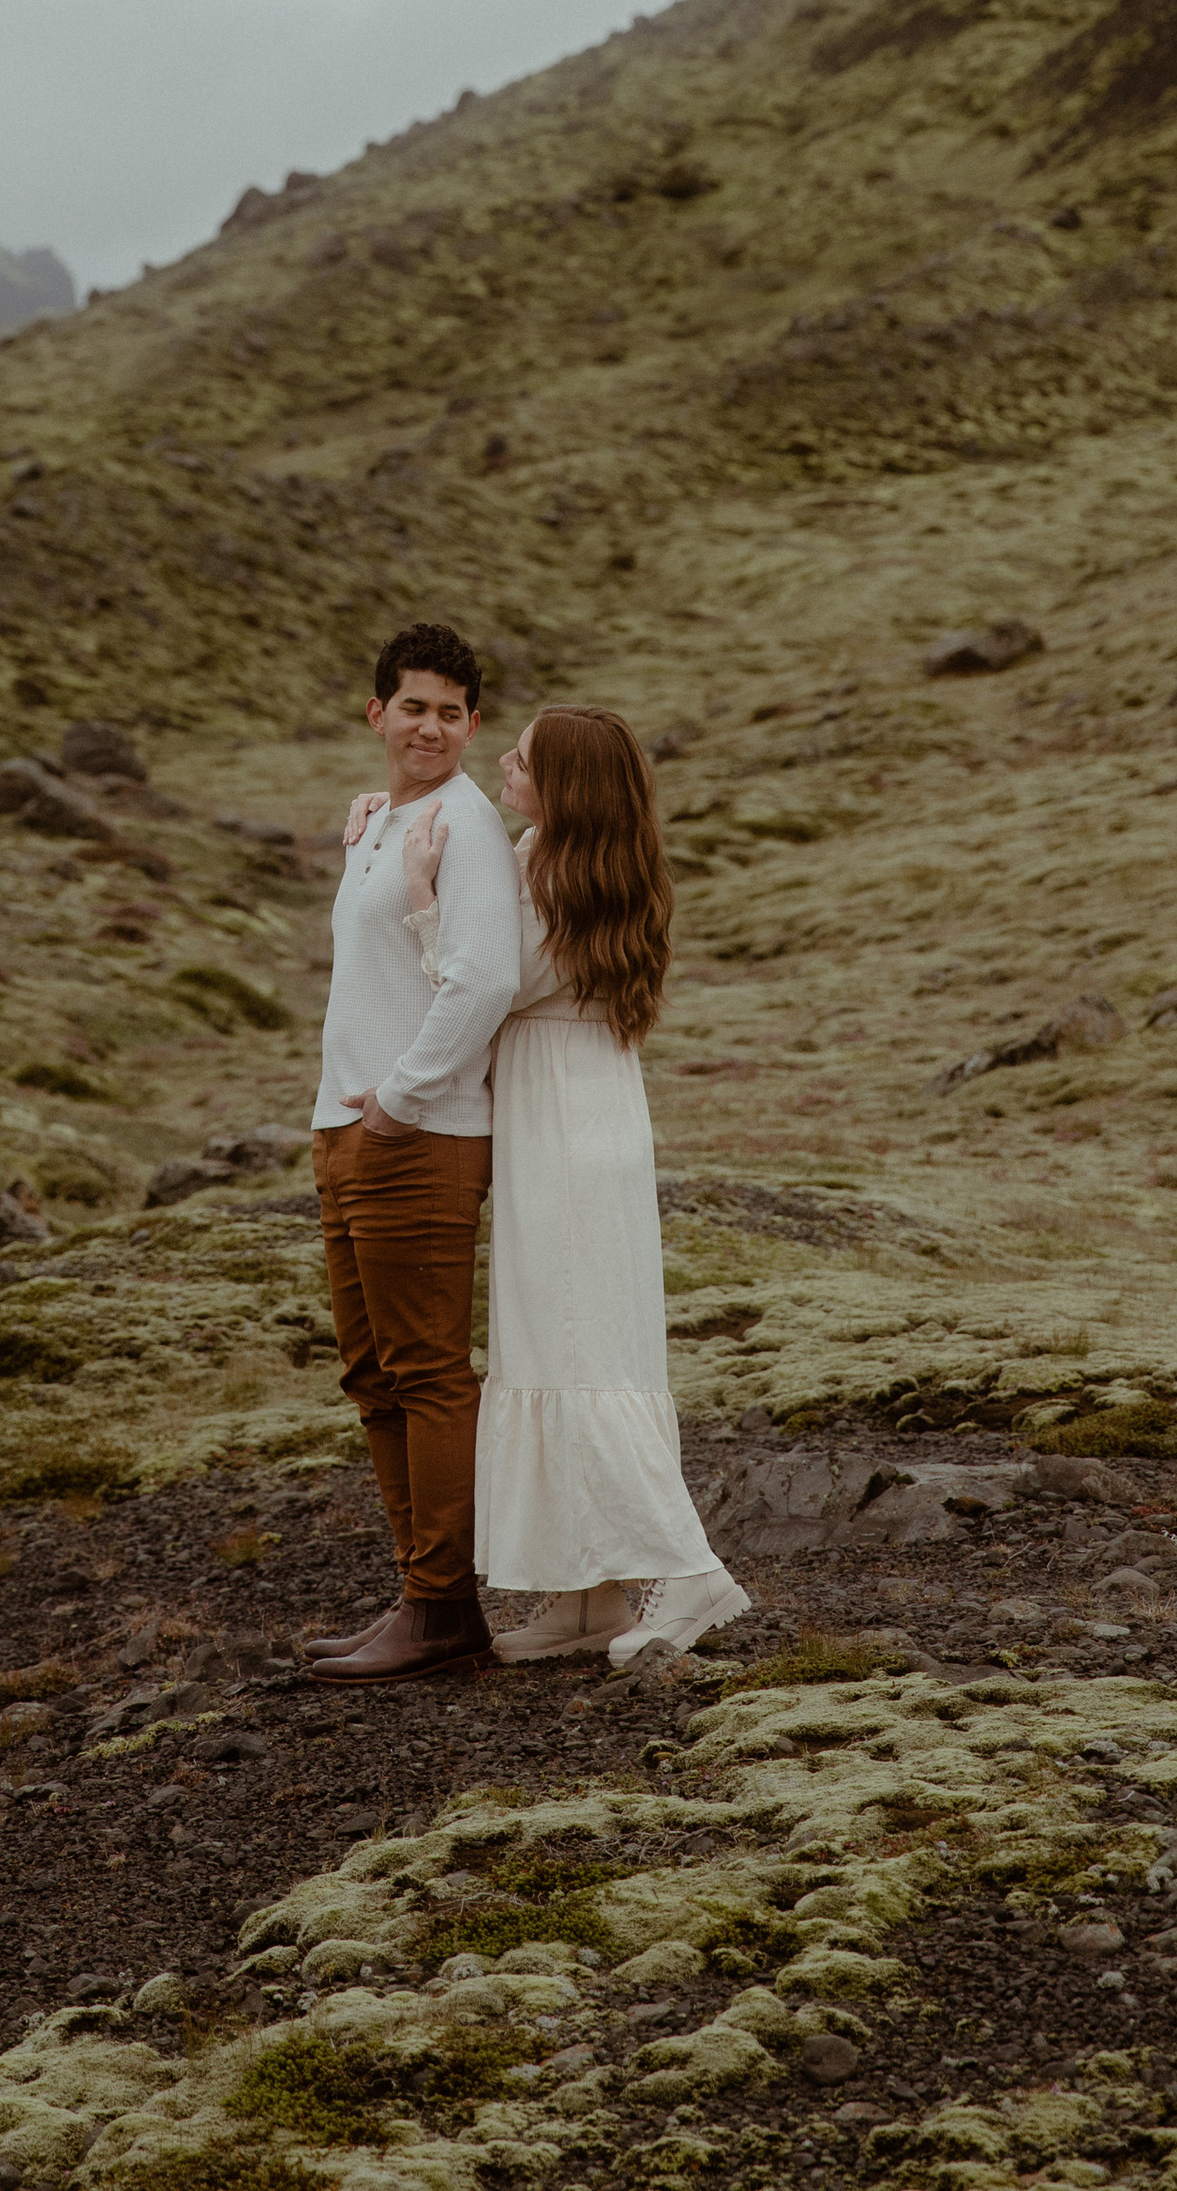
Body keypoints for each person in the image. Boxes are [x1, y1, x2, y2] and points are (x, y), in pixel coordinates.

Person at [404, 700, 754, 1670]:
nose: (505, 772)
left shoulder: (545, 867)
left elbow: (481, 985)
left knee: (572, 1339)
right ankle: (589, 1586)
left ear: (563, 786)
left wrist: (424, 898)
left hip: (559, 1120)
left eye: (519, 762)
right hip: (581, 1106)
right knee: (566, 1333)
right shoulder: (590, 863)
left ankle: (681, 1567)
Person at [301, 619, 523, 1687]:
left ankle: (443, 1609)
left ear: (472, 726)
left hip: (415, 1136)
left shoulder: (469, 828)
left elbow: (482, 982)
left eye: (450, 710)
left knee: (426, 1372)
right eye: (412, 705)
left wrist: (396, 1102)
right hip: (347, 1133)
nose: (429, 725)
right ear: (376, 712)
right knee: (371, 1373)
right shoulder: (388, 820)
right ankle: (415, 1592)